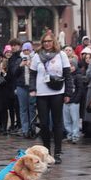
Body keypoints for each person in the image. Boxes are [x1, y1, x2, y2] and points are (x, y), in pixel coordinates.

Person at [29, 32, 72, 164]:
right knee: (44, 124)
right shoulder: (37, 56)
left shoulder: (61, 55)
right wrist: (32, 89)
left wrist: (68, 93)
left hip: (57, 92)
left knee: (57, 123)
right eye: (45, 41)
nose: (47, 44)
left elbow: (67, 75)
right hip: (42, 93)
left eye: (49, 41)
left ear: (53, 42)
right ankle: (46, 151)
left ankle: (57, 152)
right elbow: (32, 75)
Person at [15, 42, 36, 138]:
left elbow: (38, 72)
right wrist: (20, 65)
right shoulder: (19, 59)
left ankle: (32, 129)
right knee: (23, 109)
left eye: (27, 50)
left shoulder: (35, 58)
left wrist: (30, 65)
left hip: (32, 87)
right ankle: (25, 129)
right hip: (21, 87)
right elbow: (14, 73)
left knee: (32, 108)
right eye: (24, 50)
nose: (26, 52)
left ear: (31, 50)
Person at [64, 55, 84, 144]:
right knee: (66, 120)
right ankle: (69, 134)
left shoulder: (78, 76)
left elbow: (80, 89)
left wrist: (76, 100)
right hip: (65, 101)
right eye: (68, 66)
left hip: (74, 102)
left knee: (75, 119)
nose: (70, 68)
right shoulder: (65, 77)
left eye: (72, 66)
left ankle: (75, 135)